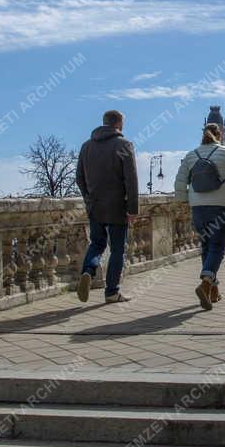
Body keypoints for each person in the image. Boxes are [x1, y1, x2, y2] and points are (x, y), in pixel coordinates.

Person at [174, 123, 225, 310]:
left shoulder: (192, 154)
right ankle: (206, 280)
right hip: (220, 206)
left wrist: (184, 204)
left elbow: (180, 181)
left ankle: (212, 290)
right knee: (217, 245)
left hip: (198, 206)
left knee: (207, 246)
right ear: (220, 134)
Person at [75, 109, 139, 304]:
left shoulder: (86, 146)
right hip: (118, 206)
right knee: (118, 248)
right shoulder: (124, 144)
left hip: (95, 205)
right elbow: (131, 180)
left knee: (97, 244)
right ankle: (112, 292)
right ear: (118, 124)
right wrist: (133, 209)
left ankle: (88, 270)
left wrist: (88, 197)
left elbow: (79, 177)